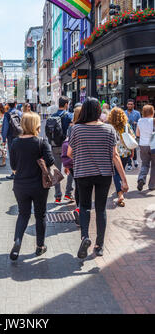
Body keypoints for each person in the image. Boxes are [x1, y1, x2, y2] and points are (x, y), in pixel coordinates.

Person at [67, 97, 128, 259]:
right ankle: (99, 245)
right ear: (99, 112)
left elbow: (69, 153)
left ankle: (85, 236)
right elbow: (115, 156)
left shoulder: (77, 130)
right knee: (101, 209)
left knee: (85, 206)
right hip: (104, 174)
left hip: (83, 173)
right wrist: (124, 179)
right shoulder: (109, 130)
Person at [9, 112, 55, 260]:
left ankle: (17, 241)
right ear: (36, 125)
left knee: (23, 214)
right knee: (40, 215)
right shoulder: (41, 142)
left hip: (20, 185)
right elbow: (50, 161)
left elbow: (13, 165)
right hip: (39, 186)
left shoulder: (15, 142)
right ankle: (40, 246)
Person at [108, 107, 136, 206]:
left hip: (114, 153)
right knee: (121, 170)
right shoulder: (126, 126)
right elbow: (132, 139)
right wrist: (132, 152)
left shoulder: (109, 127)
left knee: (116, 173)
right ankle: (121, 190)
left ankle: (120, 194)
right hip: (125, 153)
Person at [48, 96, 73, 203]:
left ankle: (57, 196)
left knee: (56, 171)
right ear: (66, 104)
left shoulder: (52, 116)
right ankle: (68, 193)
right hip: (67, 147)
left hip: (55, 146)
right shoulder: (69, 116)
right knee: (71, 169)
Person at [61, 105, 82, 225]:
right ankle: (80, 208)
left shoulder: (71, 127)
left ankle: (78, 208)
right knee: (82, 185)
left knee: (77, 184)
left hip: (72, 160)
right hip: (82, 159)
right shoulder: (84, 127)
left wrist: (66, 164)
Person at [136, 104, 155, 191]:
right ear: (152, 112)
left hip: (143, 145)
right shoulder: (154, 121)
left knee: (145, 163)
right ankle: (152, 185)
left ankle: (141, 178)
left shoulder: (140, 121)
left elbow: (137, 134)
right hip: (153, 145)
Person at [2, 101, 22, 180]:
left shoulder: (7, 114)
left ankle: (14, 172)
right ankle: (20, 172)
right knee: (19, 154)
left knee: (12, 155)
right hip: (20, 136)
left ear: (8, 105)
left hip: (11, 136)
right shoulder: (20, 113)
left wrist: (4, 138)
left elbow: (5, 126)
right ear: (15, 105)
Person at [125, 99, 141, 170]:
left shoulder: (137, 113)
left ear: (133, 105)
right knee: (128, 148)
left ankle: (135, 159)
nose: (130, 105)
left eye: (131, 104)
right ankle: (129, 164)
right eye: (128, 104)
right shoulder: (123, 112)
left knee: (133, 147)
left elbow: (140, 123)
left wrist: (136, 123)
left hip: (133, 133)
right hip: (125, 133)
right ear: (127, 105)